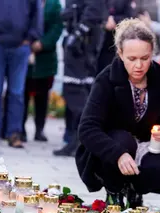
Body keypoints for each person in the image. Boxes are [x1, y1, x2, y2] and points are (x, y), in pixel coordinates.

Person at [76, 19, 160, 208]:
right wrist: (118, 154)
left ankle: (135, 190)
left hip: (149, 148)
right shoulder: (106, 80)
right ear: (120, 54)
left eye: (145, 58)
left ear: (152, 54)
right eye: (132, 59)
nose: (139, 65)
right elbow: (87, 128)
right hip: (112, 148)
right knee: (123, 141)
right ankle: (114, 190)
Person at [0, 0, 43, 148]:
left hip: (20, 46)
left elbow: (37, 14)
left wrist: (30, 38)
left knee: (17, 93)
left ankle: (14, 134)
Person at [54, 0, 107, 156]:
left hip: (83, 45)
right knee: (76, 93)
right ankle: (76, 140)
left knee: (76, 93)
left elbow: (95, 11)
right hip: (80, 42)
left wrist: (78, 34)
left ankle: (83, 141)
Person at [22, 0, 63, 142]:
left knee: (42, 96)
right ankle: (20, 129)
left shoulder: (55, 4)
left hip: (46, 58)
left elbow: (57, 28)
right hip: (25, 52)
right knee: (23, 94)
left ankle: (39, 129)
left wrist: (43, 43)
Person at [96, 0, 134, 74]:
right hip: (96, 41)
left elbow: (130, 16)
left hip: (116, 42)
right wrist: (105, 20)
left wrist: (114, 20)